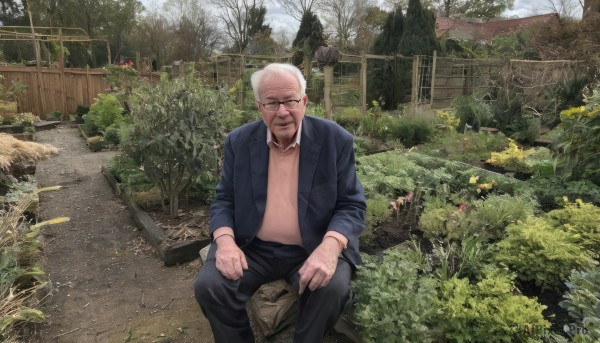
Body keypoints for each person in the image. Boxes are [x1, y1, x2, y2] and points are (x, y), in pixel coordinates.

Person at [194, 63, 366, 342]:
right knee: (210, 286)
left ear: (305, 102)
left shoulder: (335, 140)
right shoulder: (239, 142)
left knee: (331, 288)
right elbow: (224, 198)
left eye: (290, 100)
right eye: (273, 103)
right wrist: (225, 243)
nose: (283, 111)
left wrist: (330, 247)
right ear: (260, 106)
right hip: (253, 247)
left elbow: (351, 204)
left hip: (312, 245)